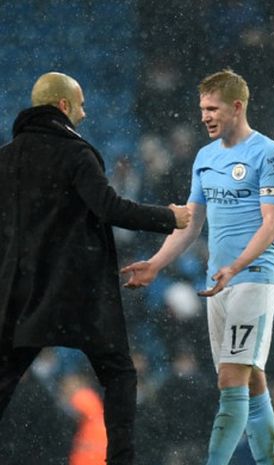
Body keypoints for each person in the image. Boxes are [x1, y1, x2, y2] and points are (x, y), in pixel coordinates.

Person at [0, 72, 191, 465]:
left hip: (22, 292)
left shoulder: (6, 157)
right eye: (81, 104)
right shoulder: (76, 153)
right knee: (118, 373)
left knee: (5, 375)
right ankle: (121, 460)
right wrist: (169, 217)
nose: (85, 113)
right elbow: (109, 208)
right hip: (77, 291)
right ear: (64, 107)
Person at [121, 69, 274, 465]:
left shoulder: (269, 154)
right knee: (251, 382)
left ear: (236, 107)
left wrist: (236, 266)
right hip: (221, 282)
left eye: (212, 109)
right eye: (201, 109)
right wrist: (157, 264)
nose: (205, 117)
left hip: (255, 279)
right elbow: (191, 223)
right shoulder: (205, 157)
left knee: (230, 380)